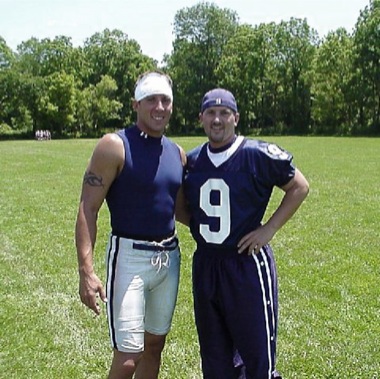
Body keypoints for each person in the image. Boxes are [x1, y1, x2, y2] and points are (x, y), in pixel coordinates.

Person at [177, 88, 309, 379]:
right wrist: (203, 230)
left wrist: (268, 230)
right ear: (201, 118)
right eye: (211, 112)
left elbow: (299, 186)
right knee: (214, 357)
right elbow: (180, 207)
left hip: (246, 263)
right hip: (207, 265)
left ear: (236, 117)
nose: (217, 119)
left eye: (224, 113)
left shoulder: (255, 154)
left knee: (257, 356)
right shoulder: (194, 160)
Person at [75, 70, 185, 379]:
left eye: (166, 100)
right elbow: (88, 207)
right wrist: (86, 270)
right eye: (151, 99)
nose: (160, 107)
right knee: (127, 358)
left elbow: (180, 210)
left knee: (154, 347)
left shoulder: (176, 153)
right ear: (136, 104)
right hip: (130, 258)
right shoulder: (114, 146)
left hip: (169, 258)